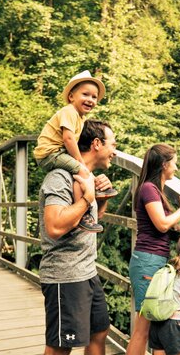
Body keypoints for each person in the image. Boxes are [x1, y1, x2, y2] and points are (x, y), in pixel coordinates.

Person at [37, 120, 119, 355]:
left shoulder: (85, 176)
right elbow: (55, 226)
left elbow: (93, 223)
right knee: (58, 349)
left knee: (100, 330)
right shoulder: (59, 177)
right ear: (97, 144)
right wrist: (87, 197)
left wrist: (100, 195)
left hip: (86, 270)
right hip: (64, 277)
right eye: (113, 143)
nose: (115, 150)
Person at [115, 144, 180, 355]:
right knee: (142, 331)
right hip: (148, 262)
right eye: (175, 163)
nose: (177, 168)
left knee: (145, 328)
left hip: (153, 261)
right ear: (164, 164)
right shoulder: (149, 188)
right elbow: (161, 225)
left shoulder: (154, 189)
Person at [33, 70, 117, 234]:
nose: (90, 100)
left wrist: (101, 196)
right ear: (71, 96)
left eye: (94, 97)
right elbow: (69, 139)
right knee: (82, 172)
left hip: (56, 152)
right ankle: (83, 214)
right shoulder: (69, 111)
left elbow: (99, 215)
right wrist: (80, 163)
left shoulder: (80, 118)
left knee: (84, 174)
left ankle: (85, 212)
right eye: (85, 94)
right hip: (50, 153)